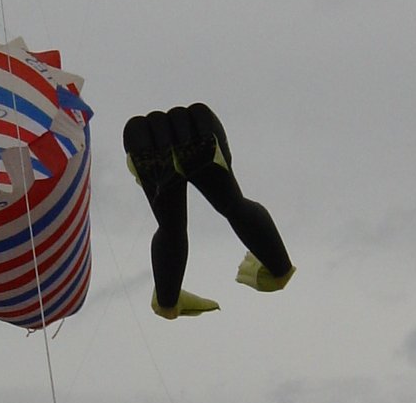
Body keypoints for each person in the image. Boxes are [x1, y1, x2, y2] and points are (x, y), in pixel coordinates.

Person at [123, 103, 295, 319]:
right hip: (197, 132)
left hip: (149, 138)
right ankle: (168, 303)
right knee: (231, 206)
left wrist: (168, 303)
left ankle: (168, 303)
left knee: (172, 226)